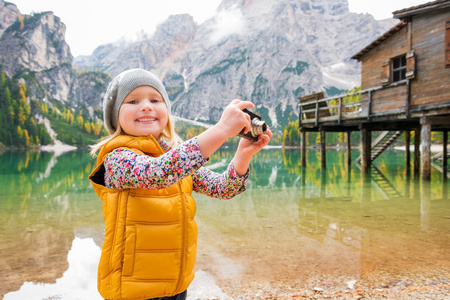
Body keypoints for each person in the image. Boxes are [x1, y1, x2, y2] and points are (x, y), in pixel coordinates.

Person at [89, 68, 272, 300]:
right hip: (132, 288)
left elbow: (222, 188)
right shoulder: (117, 158)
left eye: (155, 100)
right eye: (133, 100)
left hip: (176, 284)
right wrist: (222, 129)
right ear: (115, 116)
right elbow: (158, 173)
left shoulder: (176, 157)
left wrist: (242, 156)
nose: (146, 106)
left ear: (166, 111)